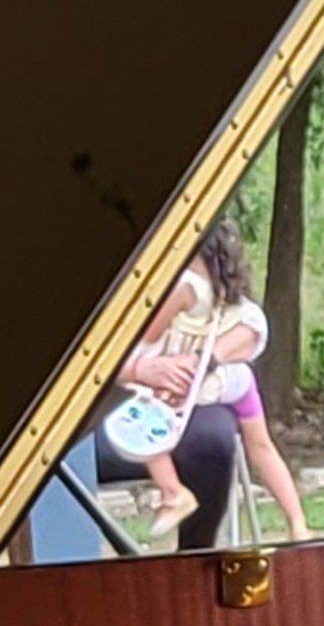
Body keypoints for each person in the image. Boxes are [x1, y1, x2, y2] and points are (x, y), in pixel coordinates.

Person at [131, 220, 311, 541]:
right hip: (224, 384)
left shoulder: (215, 321)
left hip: (196, 392)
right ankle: (296, 521)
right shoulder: (232, 318)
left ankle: (172, 493)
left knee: (141, 413)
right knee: (259, 445)